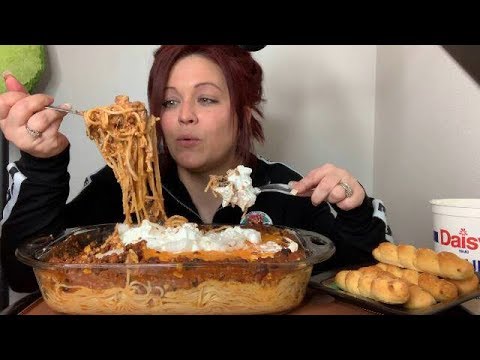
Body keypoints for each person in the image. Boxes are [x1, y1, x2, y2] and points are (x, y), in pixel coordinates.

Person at [0, 45, 391, 293]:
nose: (184, 116)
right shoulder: (119, 186)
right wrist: (42, 165)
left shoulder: (287, 191)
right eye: (169, 103)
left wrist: (354, 211)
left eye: (206, 99)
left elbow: (369, 270)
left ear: (243, 109)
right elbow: (24, 274)